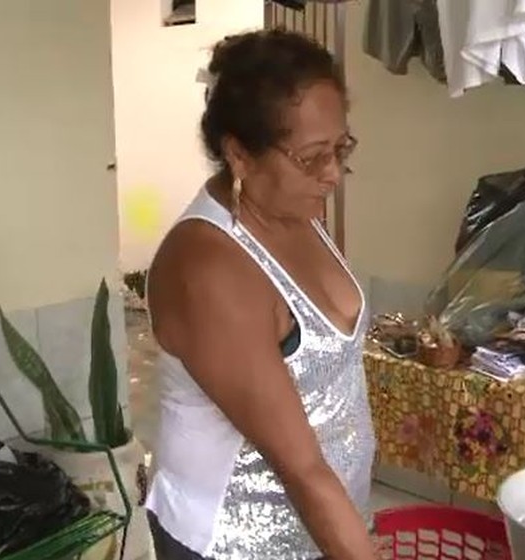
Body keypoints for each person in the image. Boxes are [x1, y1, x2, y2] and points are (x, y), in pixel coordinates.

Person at [144, 29, 377, 560]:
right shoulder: (209, 269)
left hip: (322, 530)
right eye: (312, 156)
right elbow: (301, 467)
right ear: (240, 155)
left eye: (341, 148)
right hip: (238, 544)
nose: (333, 174)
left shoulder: (296, 210)